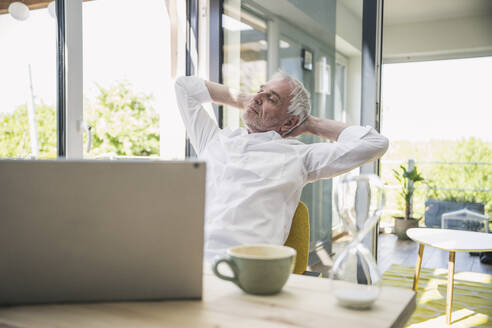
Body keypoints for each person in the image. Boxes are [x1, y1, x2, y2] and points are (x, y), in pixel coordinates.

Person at [174, 72, 389, 262]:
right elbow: (184, 86)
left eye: (271, 98)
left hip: (247, 270)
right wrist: (246, 99)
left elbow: (375, 144)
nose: (258, 97)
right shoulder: (214, 139)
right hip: (187, 261)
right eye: (260, 91)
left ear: (288, 123)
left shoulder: (299, 156)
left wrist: (309, 124)